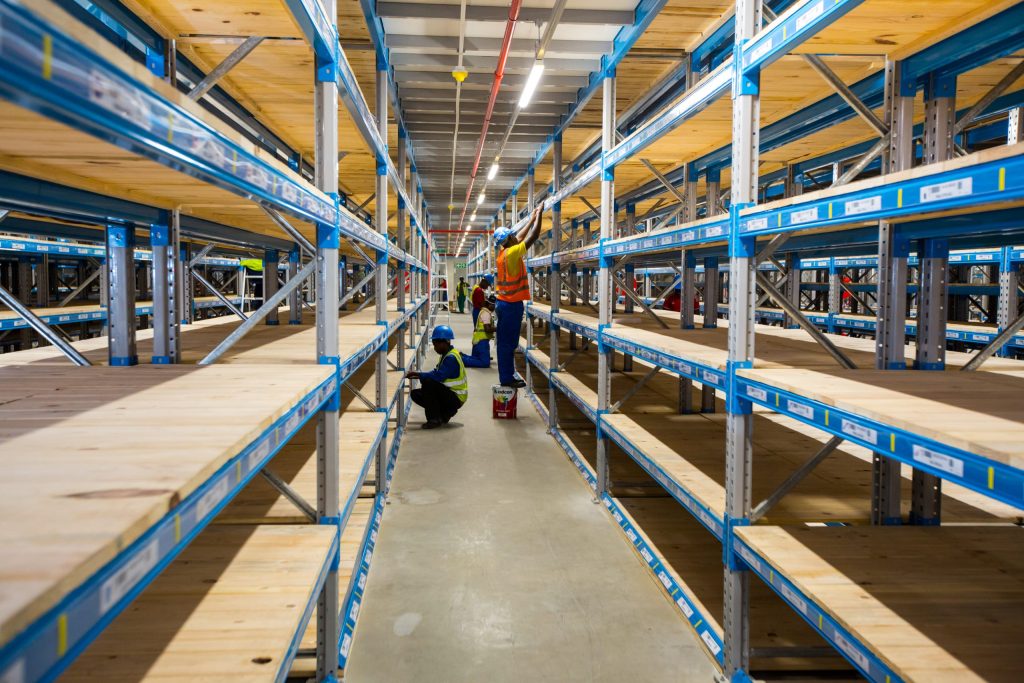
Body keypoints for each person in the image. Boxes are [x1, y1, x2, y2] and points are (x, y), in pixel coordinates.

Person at [493, 205, 543, 388]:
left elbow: (520, 237)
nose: (516, 236)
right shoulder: (512, 253)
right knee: (507, 344)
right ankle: (506, 378)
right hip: (510, 305)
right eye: (512, 235)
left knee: (508, 342)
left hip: (506, 304)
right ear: (509, 239)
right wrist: (540, 216)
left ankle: (507, 375)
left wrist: (531, 218)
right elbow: (533, 237)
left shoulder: (504, 252)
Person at [407, 325, 468, 429]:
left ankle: (434, 419)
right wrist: (418, 374)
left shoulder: (451, 358)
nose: (435, 348)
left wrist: (420, 375)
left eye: (436, 345)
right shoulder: (447, 355)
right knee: (416, 394)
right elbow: (436, 372)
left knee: (428, 382)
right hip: (450, 395)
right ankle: (443, 415)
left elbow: (438, 376)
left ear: (444, 342)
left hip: (456, 398)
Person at [462, 296, 496, 368]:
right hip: (481, 341)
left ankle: (462, 356)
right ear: (490, 305)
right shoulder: (486, 314)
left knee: (476, 359)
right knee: (485, 363)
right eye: (494, 306)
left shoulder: (484, 311)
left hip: (478, 340)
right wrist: (499, 328)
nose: (494, 308)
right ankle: (461, 359)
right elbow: (487, 329)